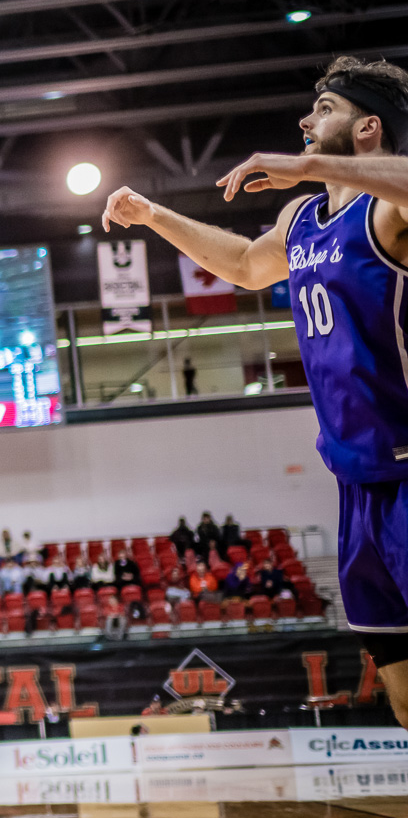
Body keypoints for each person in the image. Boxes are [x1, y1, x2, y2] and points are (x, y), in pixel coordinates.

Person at [112, 56, 408, 710]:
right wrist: (155, 216)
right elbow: (246, 265)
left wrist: (308, 164)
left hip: (407, 464)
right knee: (398, 675)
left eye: (326, 109)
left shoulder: (389, 214)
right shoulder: (301, 221)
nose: (307, 120)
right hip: (356, 480)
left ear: (369, 129)